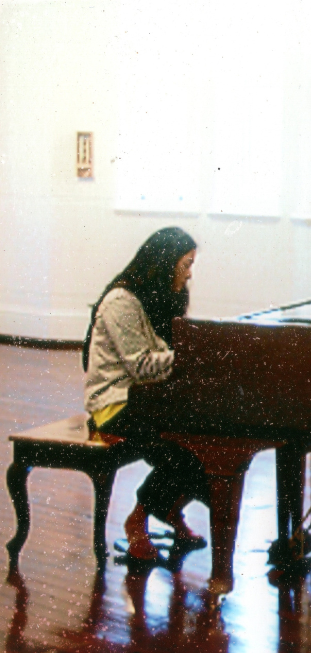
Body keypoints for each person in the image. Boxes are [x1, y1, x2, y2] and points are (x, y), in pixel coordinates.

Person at [82, 227, 209, 562]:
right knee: (181, 447)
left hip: (142, 400)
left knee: (206, 441)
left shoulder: (158, 295)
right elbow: (140, 365)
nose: (190, 272)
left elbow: (166, 350)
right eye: (186, 264)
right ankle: (138, 520)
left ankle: (164, 511)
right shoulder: (121, 302)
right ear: (165, 263)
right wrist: (193, 354)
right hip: (113, 404)